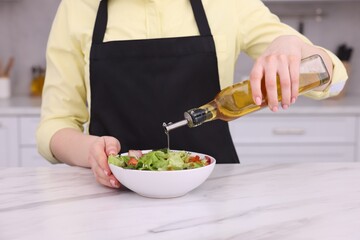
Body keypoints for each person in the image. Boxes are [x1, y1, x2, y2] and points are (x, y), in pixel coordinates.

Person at [37, 0, 348, 189]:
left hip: (214, 195)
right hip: (108, 199)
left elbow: (334, 78)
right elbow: (55, 126)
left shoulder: (226, 4)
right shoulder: (78, 7)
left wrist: (290, 47)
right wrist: (89, 150)